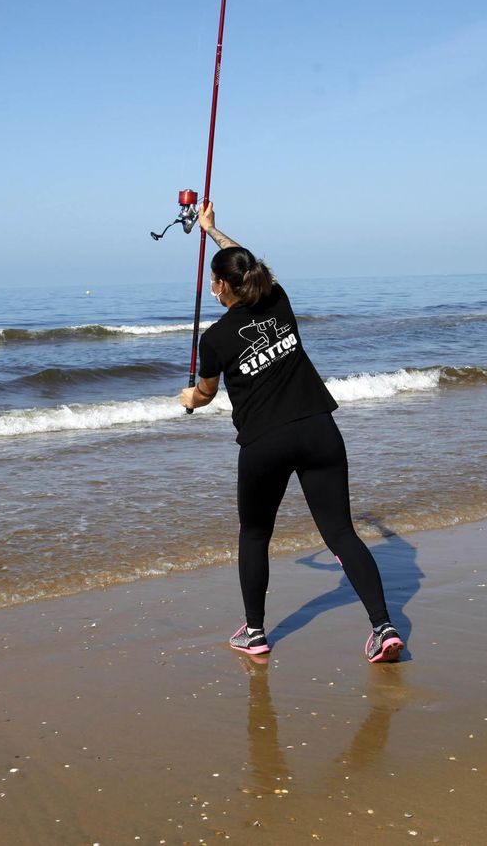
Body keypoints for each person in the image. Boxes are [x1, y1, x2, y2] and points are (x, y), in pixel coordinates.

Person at [178, 201, 403, 663]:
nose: (213, 289)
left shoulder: (216, 338)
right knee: (341, 534)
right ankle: (383, 627)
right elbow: (249, 259)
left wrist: (188, 400)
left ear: (220, 286)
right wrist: (214, 231)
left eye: (214, 283)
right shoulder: (279, 300)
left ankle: (255, 632)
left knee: (256, 535)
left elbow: (204, 394)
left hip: (265, 443)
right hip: (319, 429)